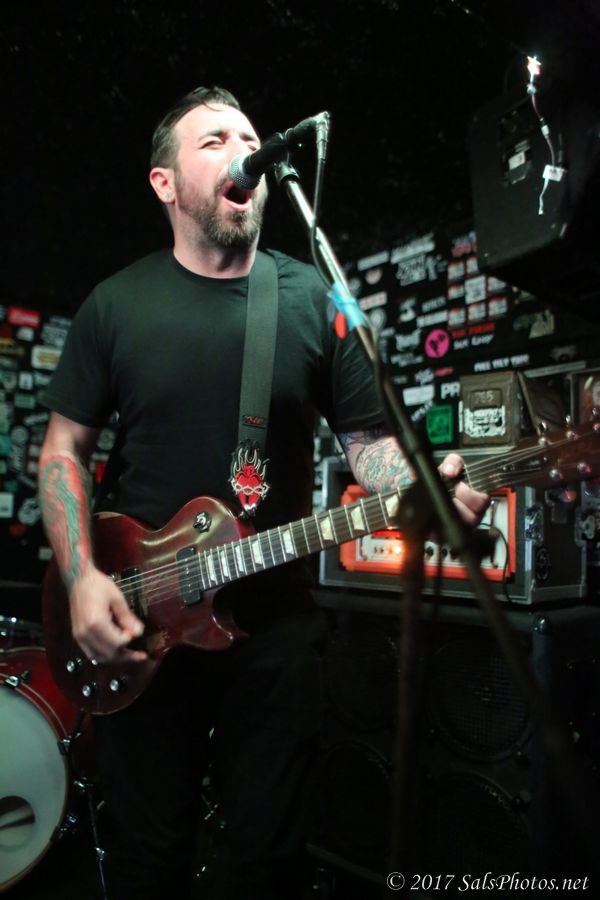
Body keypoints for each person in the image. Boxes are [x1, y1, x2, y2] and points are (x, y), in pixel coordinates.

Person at [38, 86, 488, 900]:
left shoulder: (309, 296)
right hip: (140, 617)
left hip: (275, 623)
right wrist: (80, 578)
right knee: (148, 861)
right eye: (214, 140)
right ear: (165, 182)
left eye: (250, 139)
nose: (245, 151)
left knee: (270, 863)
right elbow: (64, 450)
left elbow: (366, 442)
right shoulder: (116, 304)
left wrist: (415, 486)